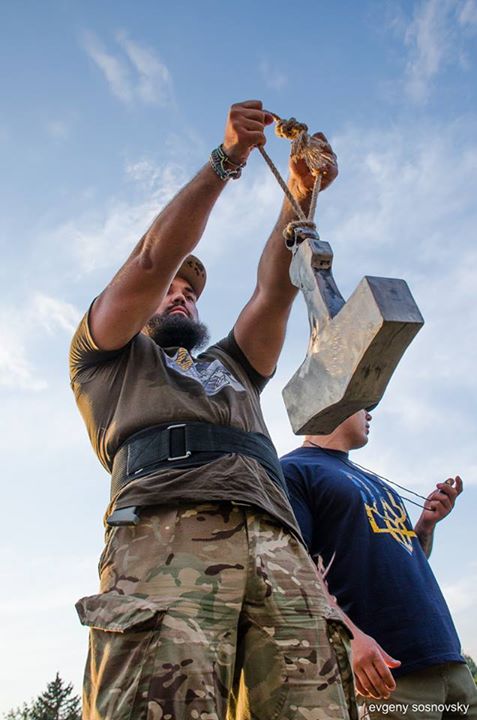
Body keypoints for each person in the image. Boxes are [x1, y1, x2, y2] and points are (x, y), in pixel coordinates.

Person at [69, 100, 359, 720]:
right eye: (171, 290)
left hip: (280, 546)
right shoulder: (103, 358)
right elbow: (151, 261)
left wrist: (300, 196)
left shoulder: (231, 365)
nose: (182, 296)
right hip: (163, 535)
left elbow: (275, 289)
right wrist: (226, 160)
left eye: (191, 292)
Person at [281, 409, 477, 719]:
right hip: (389, 676)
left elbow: (408, 557)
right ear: (329, 404)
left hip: (449, 661)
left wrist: (426, 526)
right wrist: (350, 639)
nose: (370, 412)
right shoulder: (292, 471)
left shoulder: (374, 480)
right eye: (361, 403)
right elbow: (294, 567)